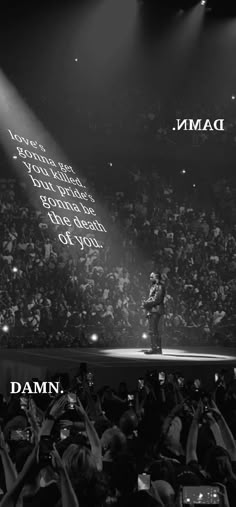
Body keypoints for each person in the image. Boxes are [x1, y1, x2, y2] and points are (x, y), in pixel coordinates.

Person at [142, 272, 165, 354]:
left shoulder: (159, 286)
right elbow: (153, 298)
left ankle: (155, 348)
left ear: (156, 277)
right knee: (154, 329)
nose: (150, 278)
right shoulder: (154, 286)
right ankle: (156, 348)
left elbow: (157, 299)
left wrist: (147, 303)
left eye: (152, 277)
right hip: (154, 309)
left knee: (153, 329)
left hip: (156, 310)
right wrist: (147, 303)